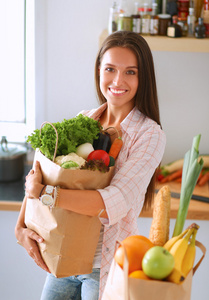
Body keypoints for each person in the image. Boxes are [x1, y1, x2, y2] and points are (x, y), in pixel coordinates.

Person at [15, 31, 166, 300]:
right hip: (62, 255)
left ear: (143, 78)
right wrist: (20, 227)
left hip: (105, 265)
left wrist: (47, 195)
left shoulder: (149, 135)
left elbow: (114, 201)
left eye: (130, 72)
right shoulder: (84, 119)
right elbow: (40, 175)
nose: (118, 81)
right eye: (110, 69)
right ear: (99, 70)